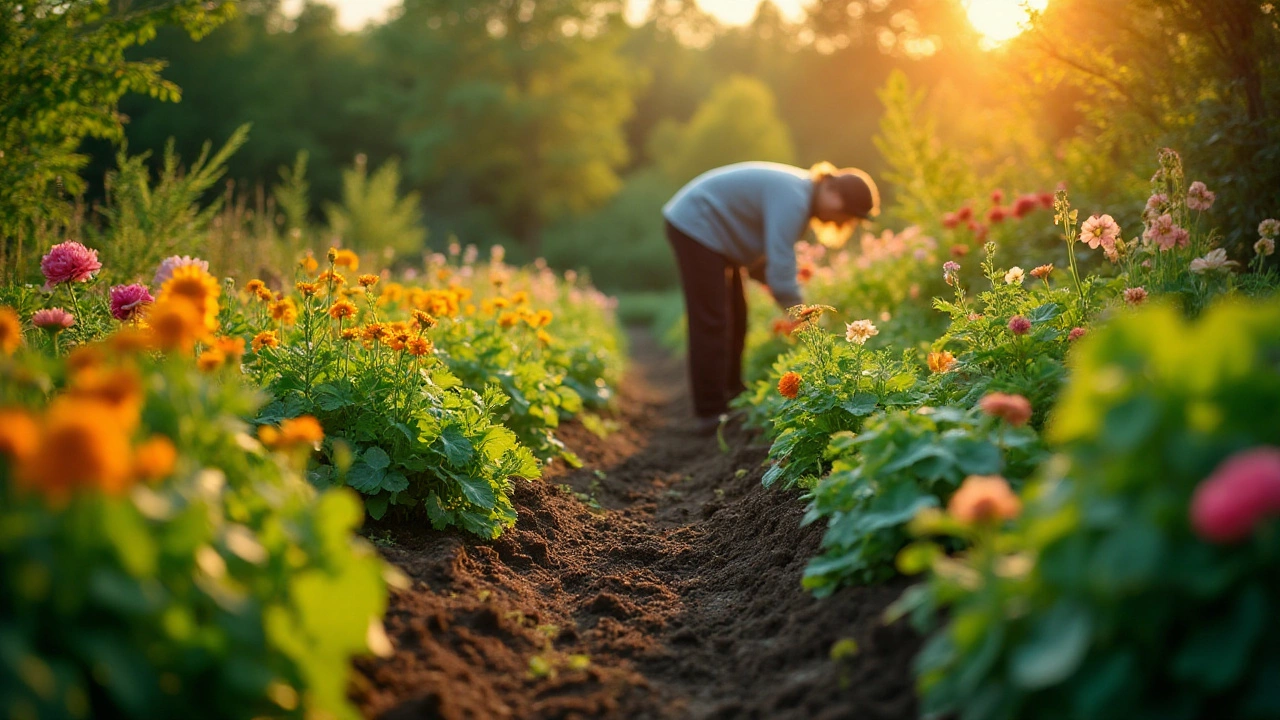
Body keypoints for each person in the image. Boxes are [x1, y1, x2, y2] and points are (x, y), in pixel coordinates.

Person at [663, 161, 879, 436]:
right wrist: (808, 321)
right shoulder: (795, 198)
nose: (841, 222)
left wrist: (784, 289)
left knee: (737, 317)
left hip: (715, 234)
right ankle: (710, 412)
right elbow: (780, 270)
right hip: (696, 223)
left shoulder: (799, 196)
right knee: (712, 319)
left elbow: (767, 263)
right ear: (831, 190)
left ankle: (730, 394)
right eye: (845, 214)